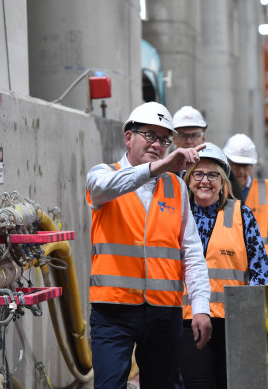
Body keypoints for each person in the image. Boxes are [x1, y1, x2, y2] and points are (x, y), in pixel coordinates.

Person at [86, 102, 212, 389]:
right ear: (128, 137)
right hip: (113, 309)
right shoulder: (103, 175)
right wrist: (159, 168)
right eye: (149, 135)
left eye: (164, 139)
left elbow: (190, 252)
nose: (158, 144)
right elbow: (103, 189)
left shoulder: (176, 187)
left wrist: (201, 305)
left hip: (163, 312)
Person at [178, 142, 268, 389]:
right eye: (198, 174)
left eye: (213, 175)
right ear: (188, 180)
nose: (205, 181)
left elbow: (262, 273)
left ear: (223, 183)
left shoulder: (241, 215)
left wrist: (249, 315)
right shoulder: (176, 216)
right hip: (188, 321)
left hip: (233, 325)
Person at [223, 134, 268, 270]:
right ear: (227, 164)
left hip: (261, 268)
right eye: (236, 165)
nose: (241, 171)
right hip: (229, 268)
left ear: (252, 166)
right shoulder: (219, 191)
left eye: (245, 166)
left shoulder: (265, 189)